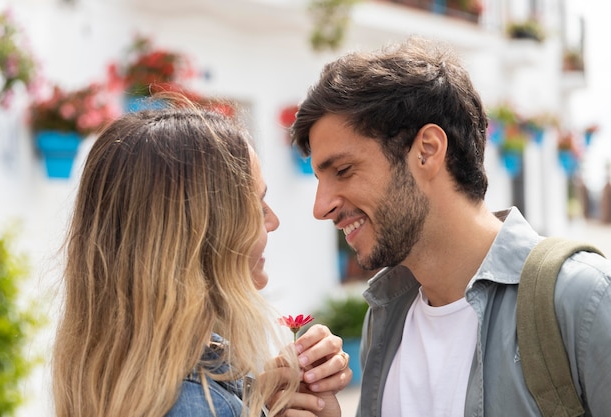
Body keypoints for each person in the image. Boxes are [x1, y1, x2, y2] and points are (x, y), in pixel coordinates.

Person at [290, 37, 611, 416]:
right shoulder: (388, 314)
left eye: (343, 171)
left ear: (426, 150)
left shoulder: (582, 299)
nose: (320, 207)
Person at [52, 96, 351, 417]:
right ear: (205, 233)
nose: (273, 221)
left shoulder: (126, 380)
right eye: (256, 205)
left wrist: (256, 405)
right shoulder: (203, 404)